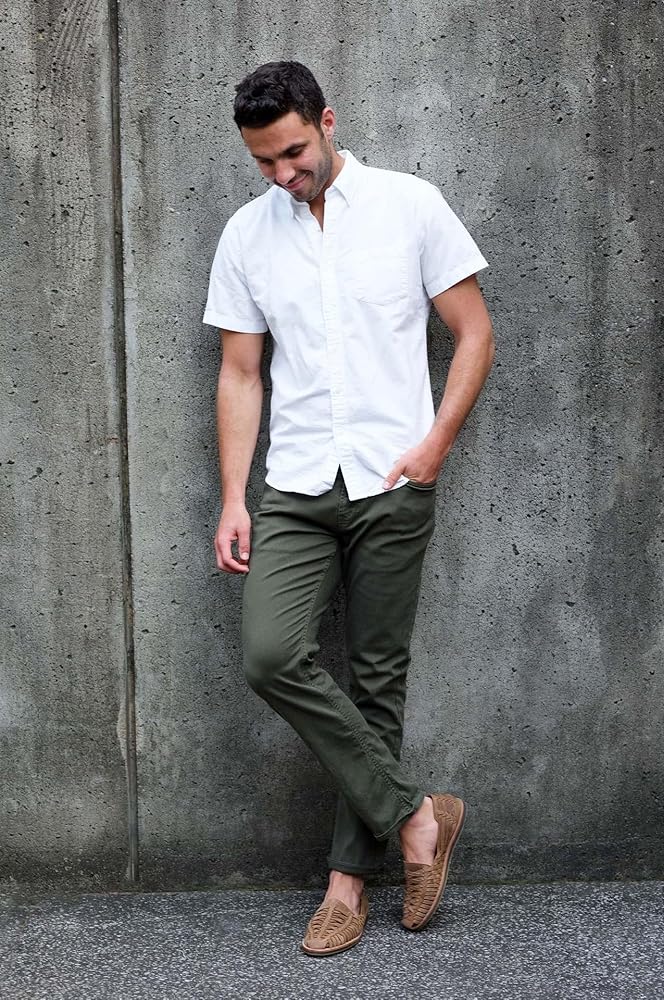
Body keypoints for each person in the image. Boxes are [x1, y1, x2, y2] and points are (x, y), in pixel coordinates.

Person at [202, 60, 494, 956]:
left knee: (376, 681)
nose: (283, 174)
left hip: (393, 481)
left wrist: (436, 445)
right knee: (270, 655)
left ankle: (346, 884)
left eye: (293, 152)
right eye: (264, 161)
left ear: (327, 122)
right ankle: (418, 817)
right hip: (295, 485)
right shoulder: (248, 234)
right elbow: (241, 373)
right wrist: (234, 497)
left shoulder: (411, 206)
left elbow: (474, 332)